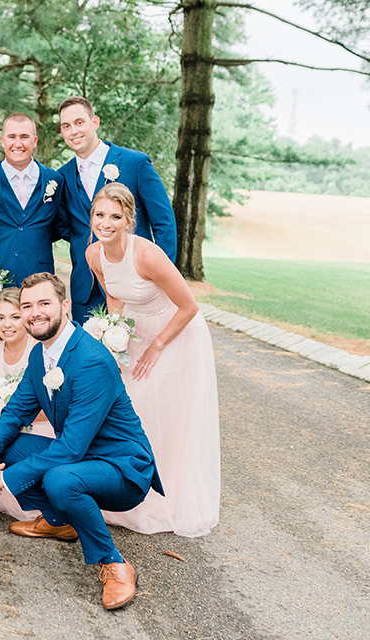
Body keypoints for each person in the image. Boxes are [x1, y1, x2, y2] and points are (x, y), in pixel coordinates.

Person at [0, 272, 163, 611]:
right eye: (27, 306)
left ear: (64, 306)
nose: (35, 312)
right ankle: (59, 521)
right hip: (80, 459)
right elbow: (15, 413)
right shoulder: (40, 355)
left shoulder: (91, 360)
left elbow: (71, 448)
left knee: (60, 479)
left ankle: (114, 563)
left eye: (44, 303)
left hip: (121, 468)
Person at [85, 183, 220, 537]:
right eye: (100, 215)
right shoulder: (93, 255)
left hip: (174, 332)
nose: (106, 223)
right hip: (134, 331)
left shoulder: (147, 255)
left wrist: (157, 345)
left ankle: (167, 494)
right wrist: (113, 339)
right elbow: (114, 298)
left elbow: (189, 306)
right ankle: (127, 486)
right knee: (128, 406)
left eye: (115, 216)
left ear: (129, 220)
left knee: (161, 409)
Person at [56, 96, 177, 321]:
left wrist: (160, 279)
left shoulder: (135, 163)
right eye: (66, 126)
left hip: (136, 284)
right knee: (90, 356)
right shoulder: (62, 176)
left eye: (79, 122)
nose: (73, 131)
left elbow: (164, 223)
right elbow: (66, 227)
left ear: (95, 122)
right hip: (87, 290)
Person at [0, 113, 65, 347]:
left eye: (25, 137)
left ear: (35, 141)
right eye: (12, 137)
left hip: (40, 277)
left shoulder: (54, 180)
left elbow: (60, 226)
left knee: (40, 342)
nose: (18, 143)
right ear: (2, 140)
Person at [0, 287, 53, 521]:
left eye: (15, 317)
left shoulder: (41, 353)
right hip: (5, 425)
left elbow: (54, 410)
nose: (6, 325)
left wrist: (18, 414)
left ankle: (46, 509)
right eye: (0, 318)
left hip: (43, 426)